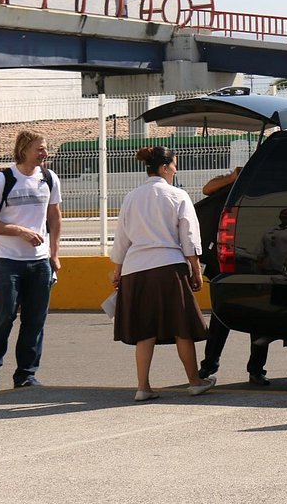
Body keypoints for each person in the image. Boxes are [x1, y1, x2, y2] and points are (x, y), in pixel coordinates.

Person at [109, 146, 214, 402]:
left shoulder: (132, 197)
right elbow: (189, 235)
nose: (176, 170)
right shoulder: (177, 195)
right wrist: (196, 268)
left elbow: (122, 237)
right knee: (182, 328)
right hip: (169, 267)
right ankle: (194, 381)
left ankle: (143, 387)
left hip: (136, 270)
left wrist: (118, 268)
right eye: (175, 165)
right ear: (165, 167)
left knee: (145, 331)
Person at [0, 129, 63, 389]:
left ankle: (26, 374)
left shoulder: (49, 178)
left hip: (39, 263)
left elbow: (55, 217)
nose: (45, 153)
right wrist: (20, 231)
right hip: (6, 261)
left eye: (45, 148)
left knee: (35, 320)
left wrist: (54, 254)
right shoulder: (2, 180)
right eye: (40, 148)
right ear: (24, 149)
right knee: (4, 317)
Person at [196, 168, 273, 386]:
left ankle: (256, 369)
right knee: (221, 316)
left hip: (257, 260)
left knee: (259, 317)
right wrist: (233, 177)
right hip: (227, 258)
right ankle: (209, 365)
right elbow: (207, 189)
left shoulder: (268, 190)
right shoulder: (235, 185)